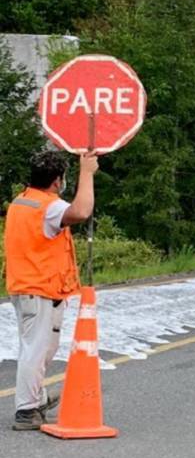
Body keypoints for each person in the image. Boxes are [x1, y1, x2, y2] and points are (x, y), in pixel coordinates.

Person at [4, 151, 98, 430]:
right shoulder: (49, 207)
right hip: (38, 288)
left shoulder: (22, 201)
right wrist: (87, 173)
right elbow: (81, 211)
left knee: (41, 348)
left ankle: (35, 398)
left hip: (29, 287)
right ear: (57, 182)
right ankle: (26, 411)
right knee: (36, 350)